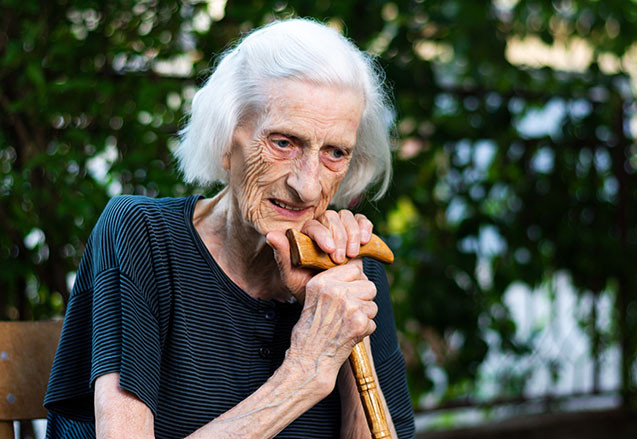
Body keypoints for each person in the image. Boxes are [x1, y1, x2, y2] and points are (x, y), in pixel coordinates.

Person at [44, 18, 415, 438]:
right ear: (225, 140)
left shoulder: (348, 267)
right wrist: (306, 371)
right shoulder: (142, 236)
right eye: (283, 142)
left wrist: (344, 330)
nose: (306, 184)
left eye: (334, 152)